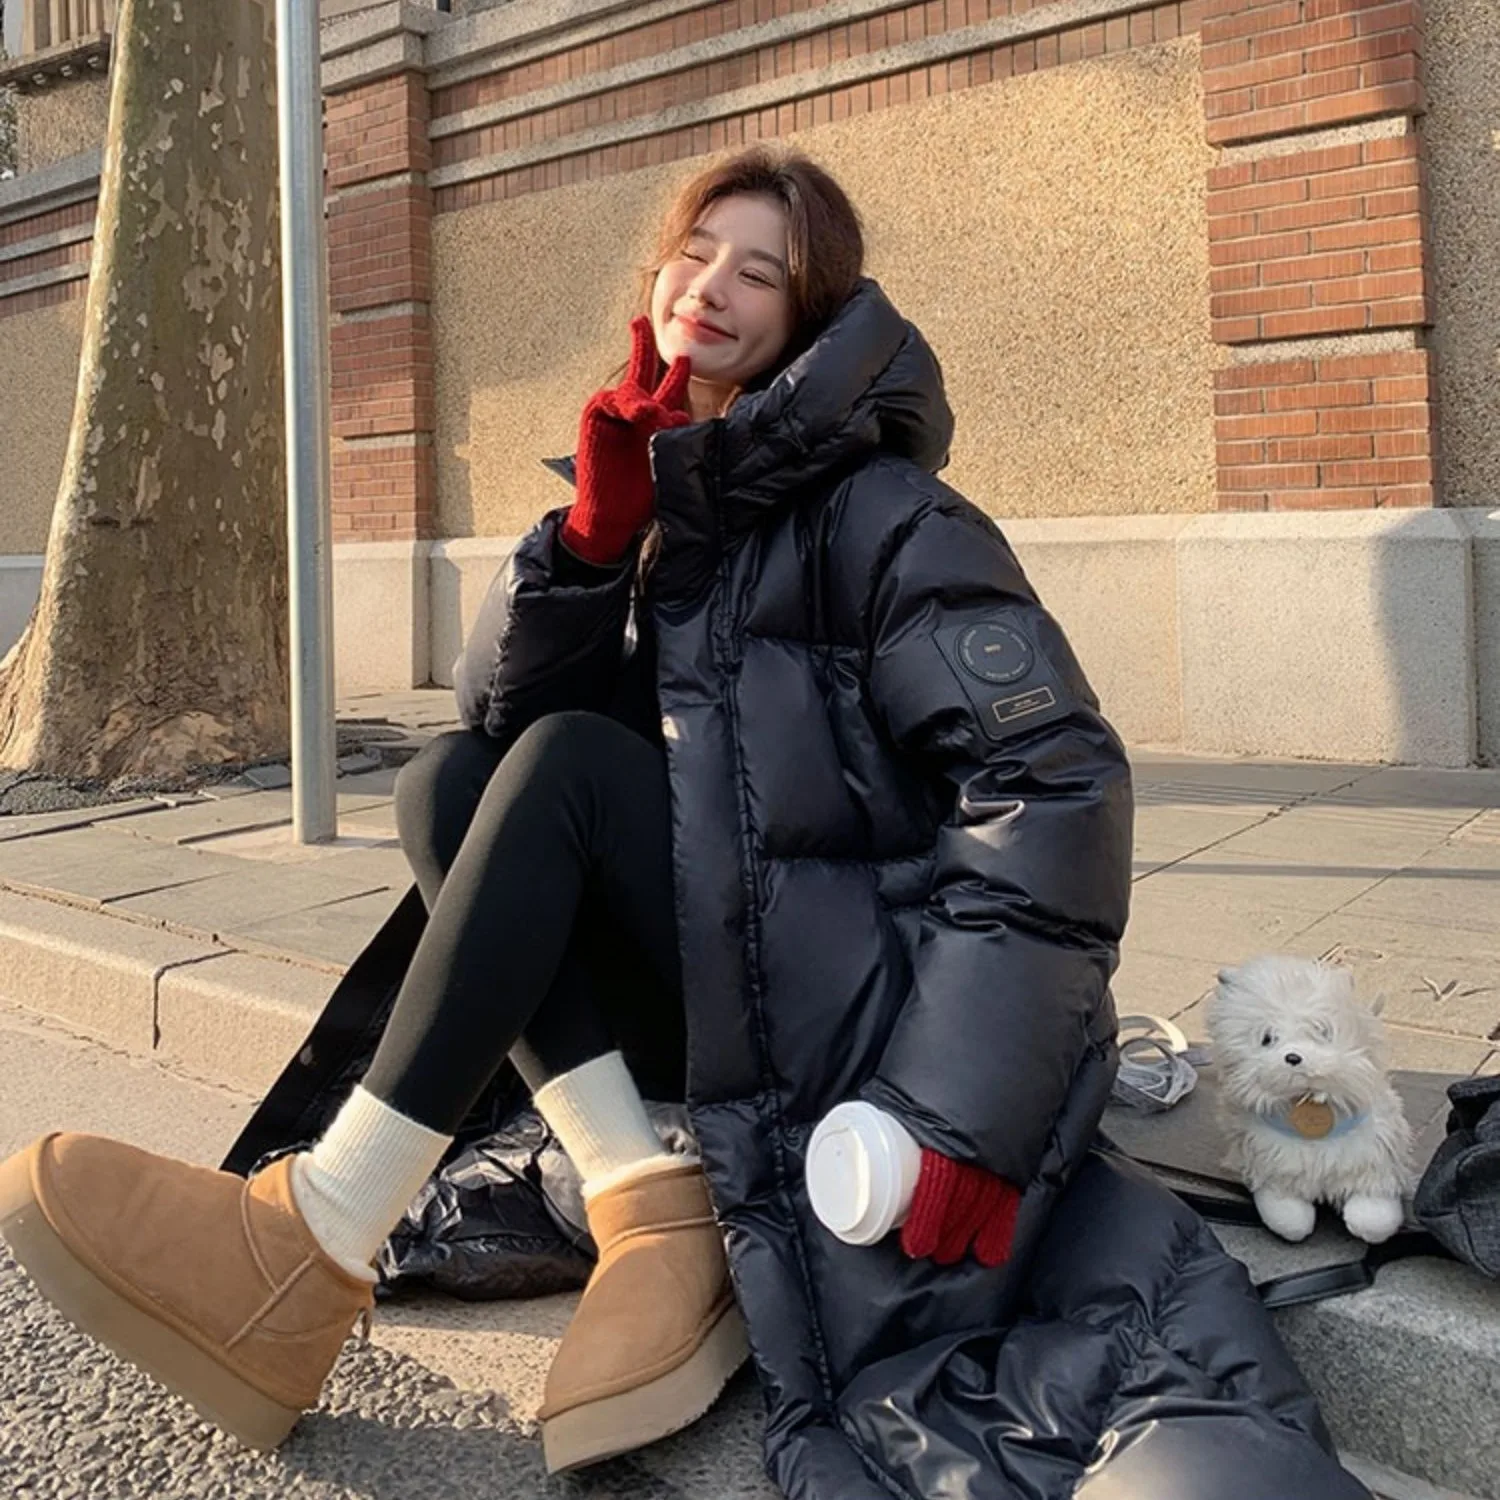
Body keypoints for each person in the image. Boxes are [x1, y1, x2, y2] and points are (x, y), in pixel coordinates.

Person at [0, 149, 1369, 1500]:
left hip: (871, 1001)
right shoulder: (669, 492)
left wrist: (950, 1112)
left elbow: (1056, 785)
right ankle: (645, 1197)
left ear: (808, 318)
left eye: (758, 272)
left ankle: (322, 1228)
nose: (710, 286)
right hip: (735, 964)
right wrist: (593, 540)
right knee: (449, 782)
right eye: (694, 252)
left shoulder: (887, 516)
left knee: (566, 773)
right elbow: (496, 724)